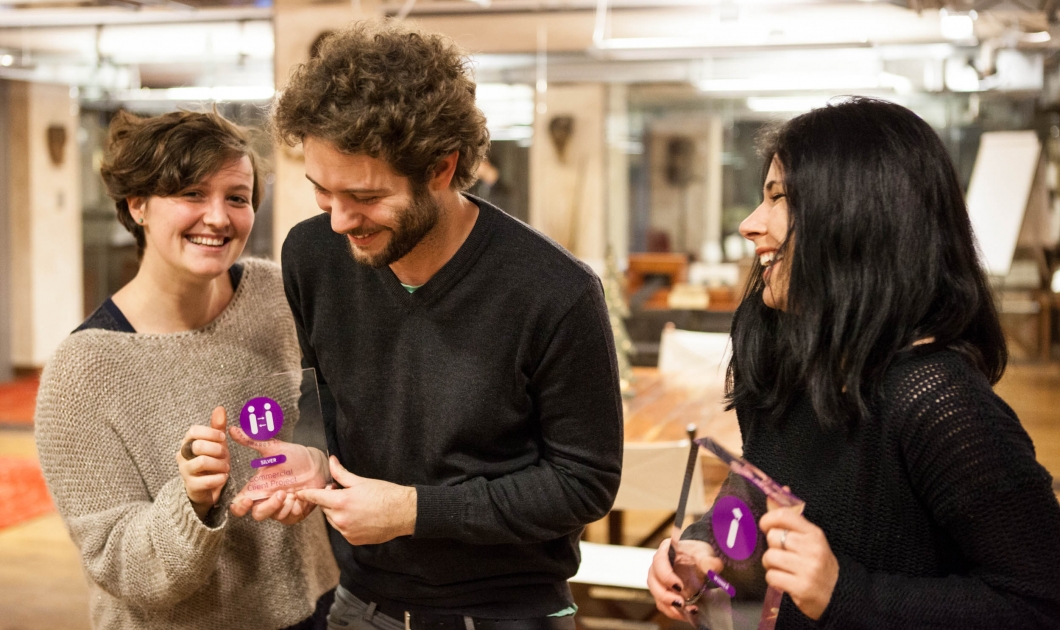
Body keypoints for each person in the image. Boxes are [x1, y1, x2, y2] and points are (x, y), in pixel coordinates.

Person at [646, 98, 1060, 629]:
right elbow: (759, 490)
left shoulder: (936, 401)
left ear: (857, 221)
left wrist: (844, 594)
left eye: (779, 198)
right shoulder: (791, 360)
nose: (751, 224)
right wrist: (706, 550)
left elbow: (1040, 603)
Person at [269, 20, 624, 629]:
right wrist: (311, 456)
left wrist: (415, 511)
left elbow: (583, 484)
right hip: (360, 606)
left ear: (441, 166)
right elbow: (322, 393)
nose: (338, 220)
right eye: (322, 191)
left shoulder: (554, 291)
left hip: (509, 614)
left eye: (364, 196)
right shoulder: (311, 255)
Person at [34, 110, 339, 630]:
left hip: (317, 608)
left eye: (237, 197)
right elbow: (120, 566)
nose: (218, 218)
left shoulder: (279, 296)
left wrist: (320, 468)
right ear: (138, 206)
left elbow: (333, 419)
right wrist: (193, 501)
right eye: (192, 194)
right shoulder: (81, 373)